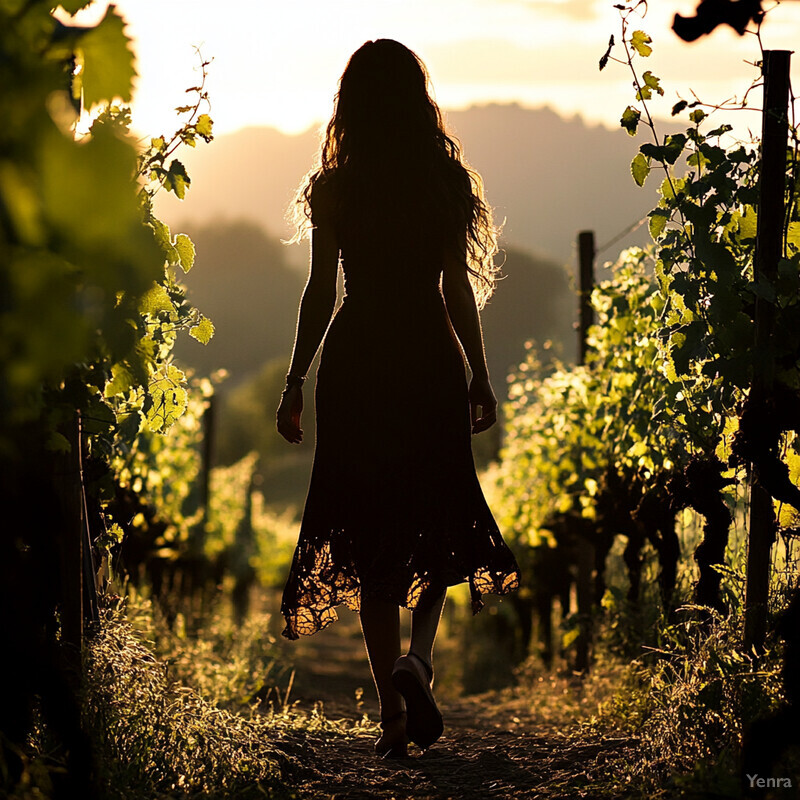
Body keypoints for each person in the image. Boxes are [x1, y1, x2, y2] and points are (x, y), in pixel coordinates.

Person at [276, 39, 520, 759]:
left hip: (356, 364)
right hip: (424, 357)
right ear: (419, 99)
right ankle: (419, 659)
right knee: (434, 509)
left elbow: (321, 291)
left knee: (367, 523)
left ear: (349, 103)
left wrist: (295, 382)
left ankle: (391, 711)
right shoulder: (444, 181)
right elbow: (455, 289)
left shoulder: (336, 185)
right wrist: (478, 373)